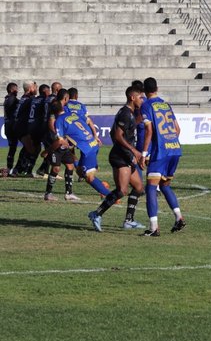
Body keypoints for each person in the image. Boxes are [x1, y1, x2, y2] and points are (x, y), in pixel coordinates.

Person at [88, 87, 147, 232]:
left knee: (139, 188)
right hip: (120, 157)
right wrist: (133, 151)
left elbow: (119, 131)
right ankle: (96, 214)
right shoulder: (126, 113)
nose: (142, 100)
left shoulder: (131, 113)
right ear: (132, 98)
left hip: (127, 156)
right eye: (140, 97)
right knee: (122, 191)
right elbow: (117, 136)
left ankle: (129, 220)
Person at [140, 77, 186, 237]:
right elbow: (177, 129)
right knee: (165, 185)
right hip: (174, 149)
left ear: (144, 91)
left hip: (161, 152)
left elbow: (149, 131)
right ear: (157, 88)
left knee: (151, 188)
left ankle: (153, 228)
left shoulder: (146, 105)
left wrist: (144, 153)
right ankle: (179, 217)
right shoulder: (165, 104)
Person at [53, 98, 112, 207]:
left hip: (87, 149)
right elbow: (88, 121)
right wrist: (95, 136)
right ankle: (102, 187)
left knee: (89, 177)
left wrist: (48, 151)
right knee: (80, 171)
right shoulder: (72, 114)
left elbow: (60, 140)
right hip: (92, 144)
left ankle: (111, 196)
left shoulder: (59, 120)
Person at [43, 97, 80, 202]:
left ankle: (69, 193)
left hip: (64, 146)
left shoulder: (64, 115)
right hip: (55, 146)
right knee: (56, 169)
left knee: (70, 166)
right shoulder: (53, 118)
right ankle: (48, 193)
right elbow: (54, 132)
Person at [11, 81, 36, 176]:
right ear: (30, 88)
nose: (36, 89)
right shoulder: (29, 99)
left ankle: (20, 169)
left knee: (27, 148)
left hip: (19, 126)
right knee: (31, 149)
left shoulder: (23, 98)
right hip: (22, 127)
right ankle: (19, 170)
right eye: (34, 87)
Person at [3, 82, 20, 171]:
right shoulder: (12, 99)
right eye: (16, 89)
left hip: (8, 126)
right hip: (12, 126)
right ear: (11, 90)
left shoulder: (8, 98)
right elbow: (12, 113)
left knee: (12, 148)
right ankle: (11, 168)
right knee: (14, 147)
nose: (17, 91)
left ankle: (10, 167)